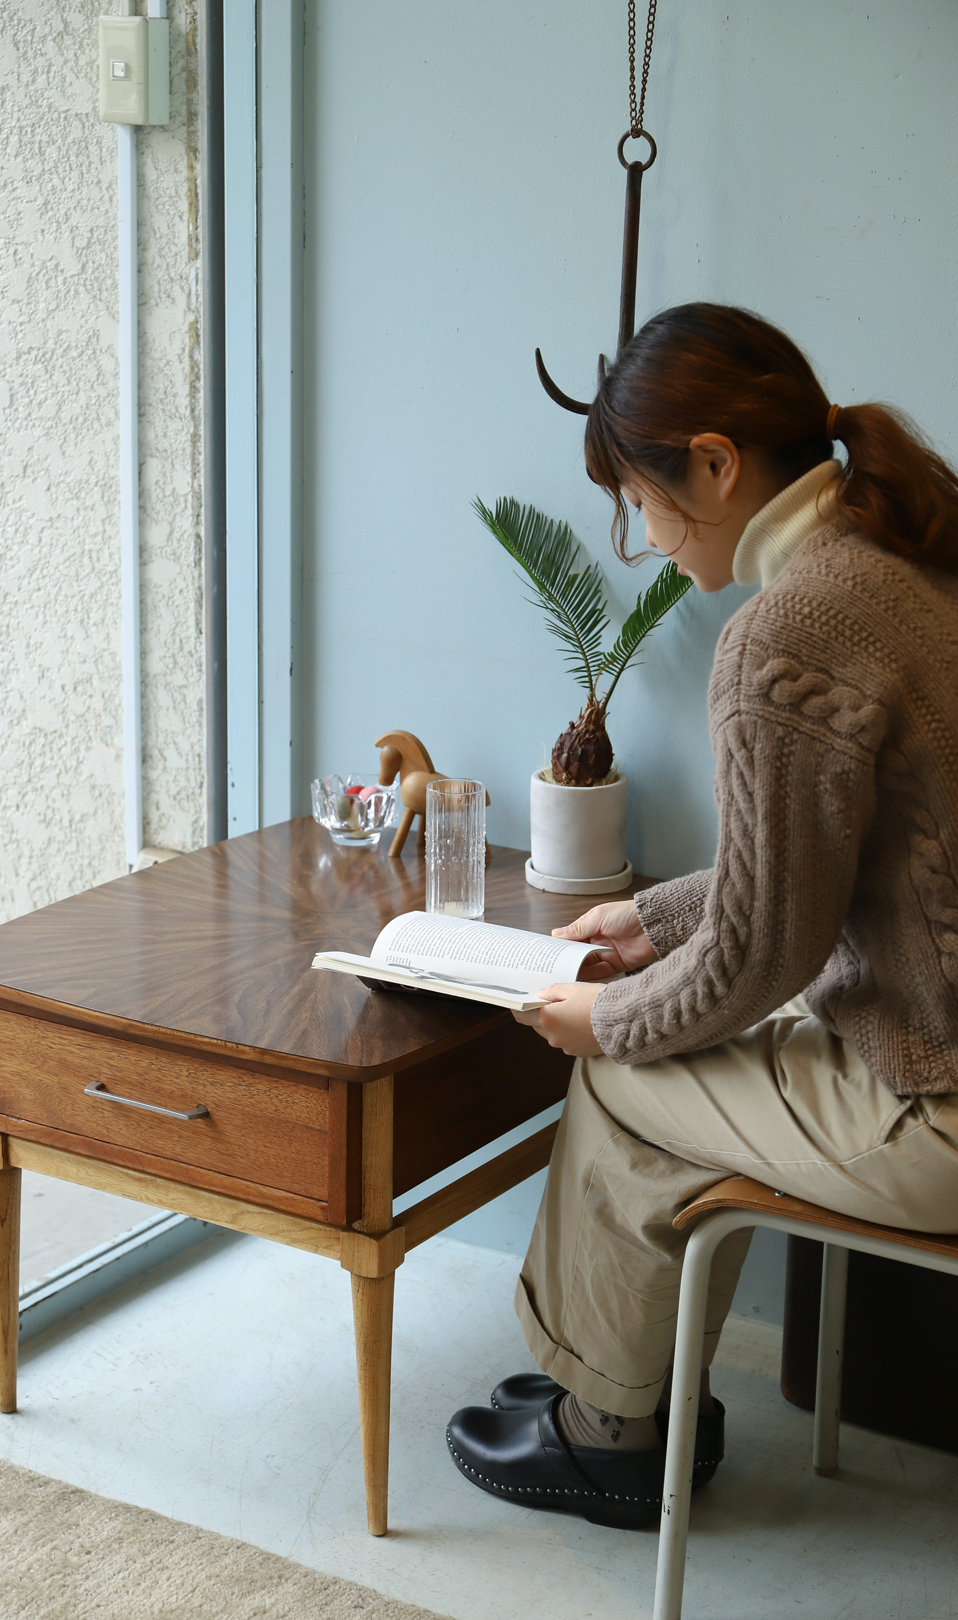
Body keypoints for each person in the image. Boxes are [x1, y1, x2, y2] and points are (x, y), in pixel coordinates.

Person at [446, 303, 958, 1528]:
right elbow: (823, 879)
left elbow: (766, 951)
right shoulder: (912, 551)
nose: (639, 541)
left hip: (938, 1101)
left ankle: (612, 1434)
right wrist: (647, 920)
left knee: (627, 1079)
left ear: (717, 465)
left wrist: (605, 1013)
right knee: (658, 1038)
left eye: (639, 499)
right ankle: (622, 1395)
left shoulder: (790, 631)